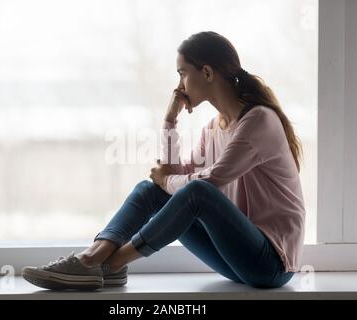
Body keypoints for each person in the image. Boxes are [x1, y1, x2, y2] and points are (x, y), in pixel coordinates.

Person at [22, 31, 306, 290]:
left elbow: (209, 182)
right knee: (151, 190)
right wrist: (170, 120)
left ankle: (109, 264)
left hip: (270, 264)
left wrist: (167, 180)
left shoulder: (259, 120)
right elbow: (173, 175)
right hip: (236, 260)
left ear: (206, 72)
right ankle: (93, 257)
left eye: (182, 74)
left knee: (195, 191)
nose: (179, 85)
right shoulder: (214, 128)